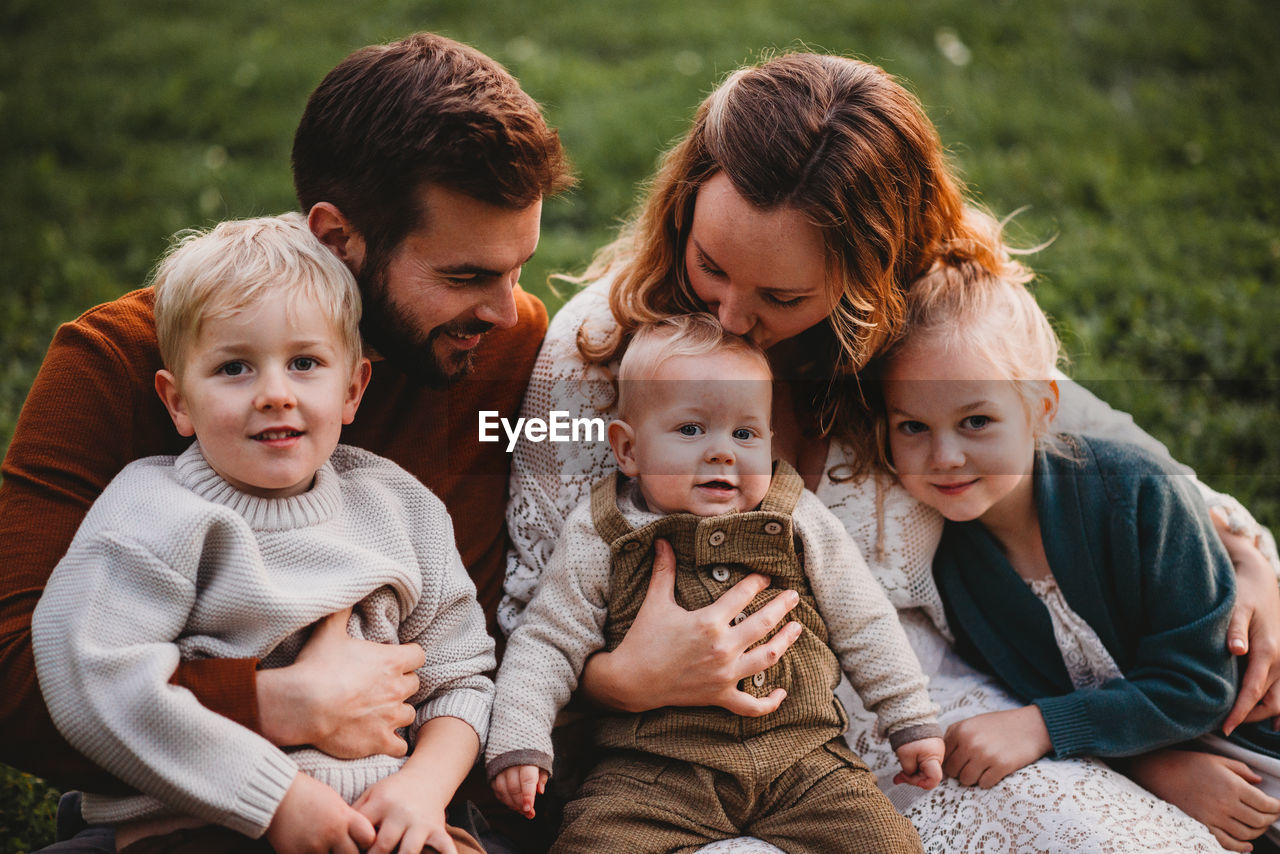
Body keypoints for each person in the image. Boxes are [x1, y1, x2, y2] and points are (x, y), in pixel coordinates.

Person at [501, 51, 1280, 852]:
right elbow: (532, 613)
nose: (732, 317)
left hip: (921, 732)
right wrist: (621, 680)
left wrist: (1245, 553)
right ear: (683, 209)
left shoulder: (916, 327)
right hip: (667, 767)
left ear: (871, 276)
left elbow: (1076, 435)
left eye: (783, 297)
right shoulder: (599, 356)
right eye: (712, 266)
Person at [0, 31, 571, 851]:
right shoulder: (120, 364)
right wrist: (282, 703)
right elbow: (20, 683)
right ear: (339, 240)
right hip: (188, 815)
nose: (509, 310)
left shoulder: (498, 354)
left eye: (518, 269)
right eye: (466, 276)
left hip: (405, 807)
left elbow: (482, 635)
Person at [32, 214, 496, 854]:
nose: (275, 394)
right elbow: (93, 675)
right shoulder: (154, 511)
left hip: (389, 823)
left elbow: (461, 675)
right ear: (178, 402)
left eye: (305, 362)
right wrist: (277, 798)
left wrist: (422, 787)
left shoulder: (398, 506)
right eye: (234, 369)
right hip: (202, 825)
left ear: (353, 388)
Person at [488, 314, 942, 852]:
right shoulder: (600, 532)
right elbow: (548, 641)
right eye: (690, 429)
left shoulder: (799, 517)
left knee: (887, 844)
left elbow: (863, 619)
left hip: (803, 760)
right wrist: (519, 740)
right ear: (628, 449)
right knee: (590, 842)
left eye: (744, 433)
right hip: (654, 772)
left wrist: (910, 718)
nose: (723, 451)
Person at [870, 258, 1280, 849]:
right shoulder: (954, 565)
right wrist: (1152, 772)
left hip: (1258, 730)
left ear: (1040, 408)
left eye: (977, 421)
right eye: (912, 427)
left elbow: (1198, 681)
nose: (945, 456)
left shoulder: (1135, 495)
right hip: (1191, 775)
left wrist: (1043, 725)